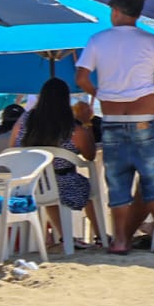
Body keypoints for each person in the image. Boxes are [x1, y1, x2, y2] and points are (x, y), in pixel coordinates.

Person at [75, 0, 154, 255]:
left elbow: (81, 78)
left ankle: (120, 241)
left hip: (112, 120)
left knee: (118, 183)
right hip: (144, 118)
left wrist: (99, 93)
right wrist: (150, 88)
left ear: (116, 11)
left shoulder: (98, 40)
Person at [12, 78, 97, 245]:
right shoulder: (71, 128)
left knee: (50, 184)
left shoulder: (24, 121)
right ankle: (100, 235)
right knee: (85, 186)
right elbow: (90, 155)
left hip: (29, 185)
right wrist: (86, 121)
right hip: (64, 186)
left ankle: (66, 236)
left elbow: (13, 148)